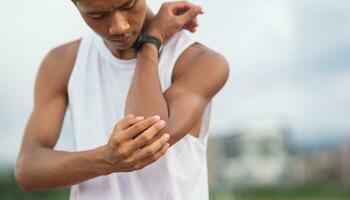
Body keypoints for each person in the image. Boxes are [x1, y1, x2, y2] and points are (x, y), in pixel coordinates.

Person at [15, 0, 229, 199]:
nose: (119, 27)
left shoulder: (200, 61)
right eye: (97, 15)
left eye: (128, 5)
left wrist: (150, 42)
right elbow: (27, 169)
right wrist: (106, 159)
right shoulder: (61, 62)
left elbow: (146, 138)